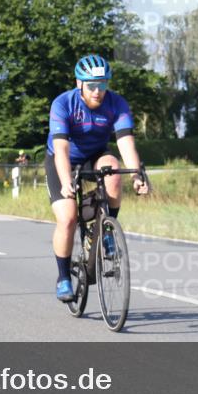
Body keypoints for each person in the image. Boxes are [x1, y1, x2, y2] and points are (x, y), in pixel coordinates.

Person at [46, 54, 148, 302]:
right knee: (68, 218)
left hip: (95, 154)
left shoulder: (116, 103)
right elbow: (61, 150)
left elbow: (125, 143)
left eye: (103, 84)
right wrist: (66, 179)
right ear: (78, 83)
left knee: (113, 169)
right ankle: (63, 278)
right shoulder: (63, 104)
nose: (98, 91)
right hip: (64, 159)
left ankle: (106, 231)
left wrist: (137, 175)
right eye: (92, 85)